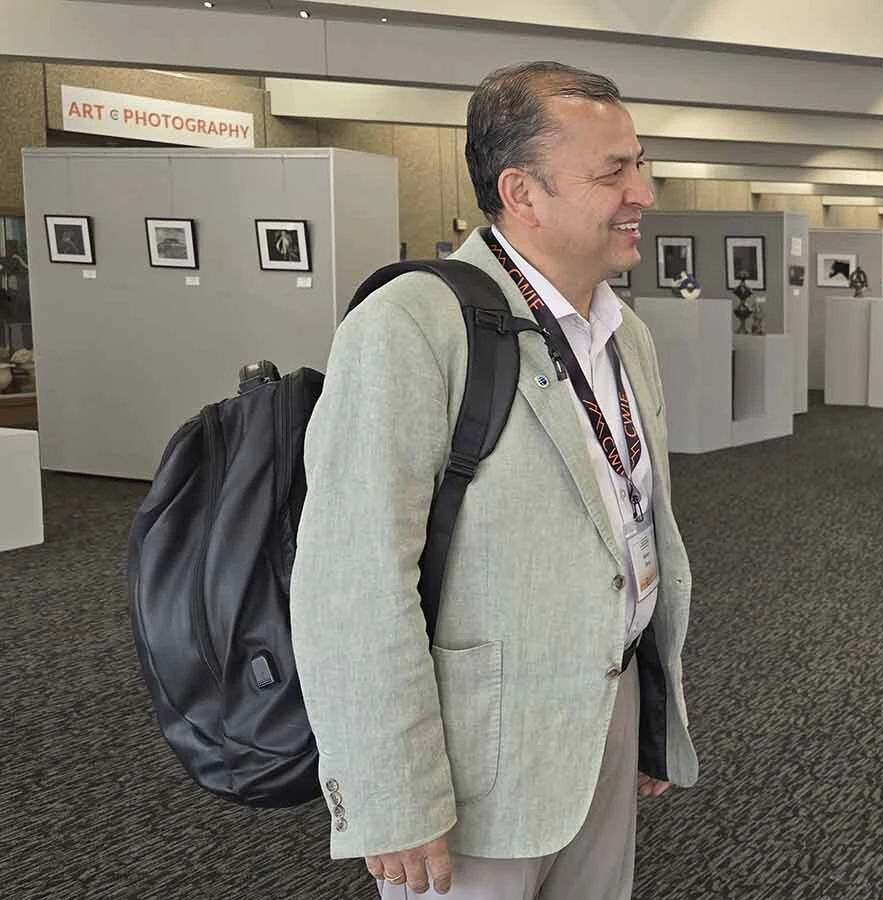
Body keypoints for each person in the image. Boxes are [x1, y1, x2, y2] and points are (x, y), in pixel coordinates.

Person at [290, 61, 698, 900]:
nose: (644, 192)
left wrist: (647, 715)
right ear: (522, 192)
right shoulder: (408, 328)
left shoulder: (626, 336)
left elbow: (628, 532)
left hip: (602, 718)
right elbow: (350, 582)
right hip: (474, 758)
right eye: (613, 171)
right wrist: (392, 794)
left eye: (641, 162)